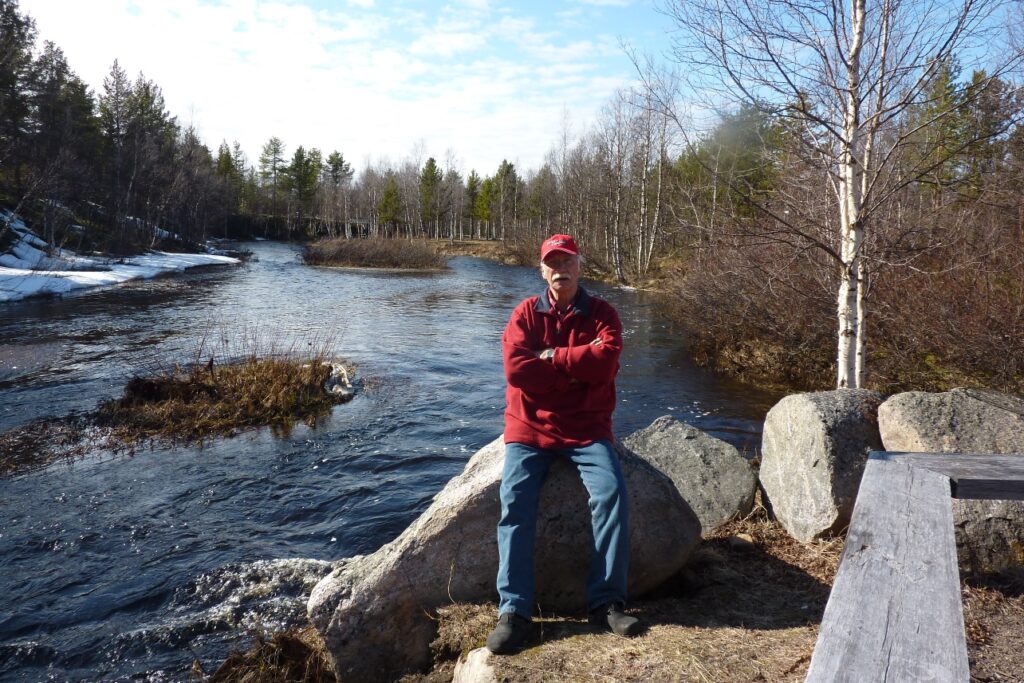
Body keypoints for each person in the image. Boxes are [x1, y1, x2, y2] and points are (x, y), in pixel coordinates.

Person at [486, 233, 641, 655]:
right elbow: (517, 370)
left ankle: (607, 603)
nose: (560, 269)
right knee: (515, 502)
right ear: (542, 271)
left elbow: (605, 363)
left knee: (612, 495)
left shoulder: (604, 313)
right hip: (530, 427)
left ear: (579, 265)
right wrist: (576, 369)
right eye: (552, 263)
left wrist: (552, 357)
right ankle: (514, 612)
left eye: (567, 261)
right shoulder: (525, 313)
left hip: (587, 428)